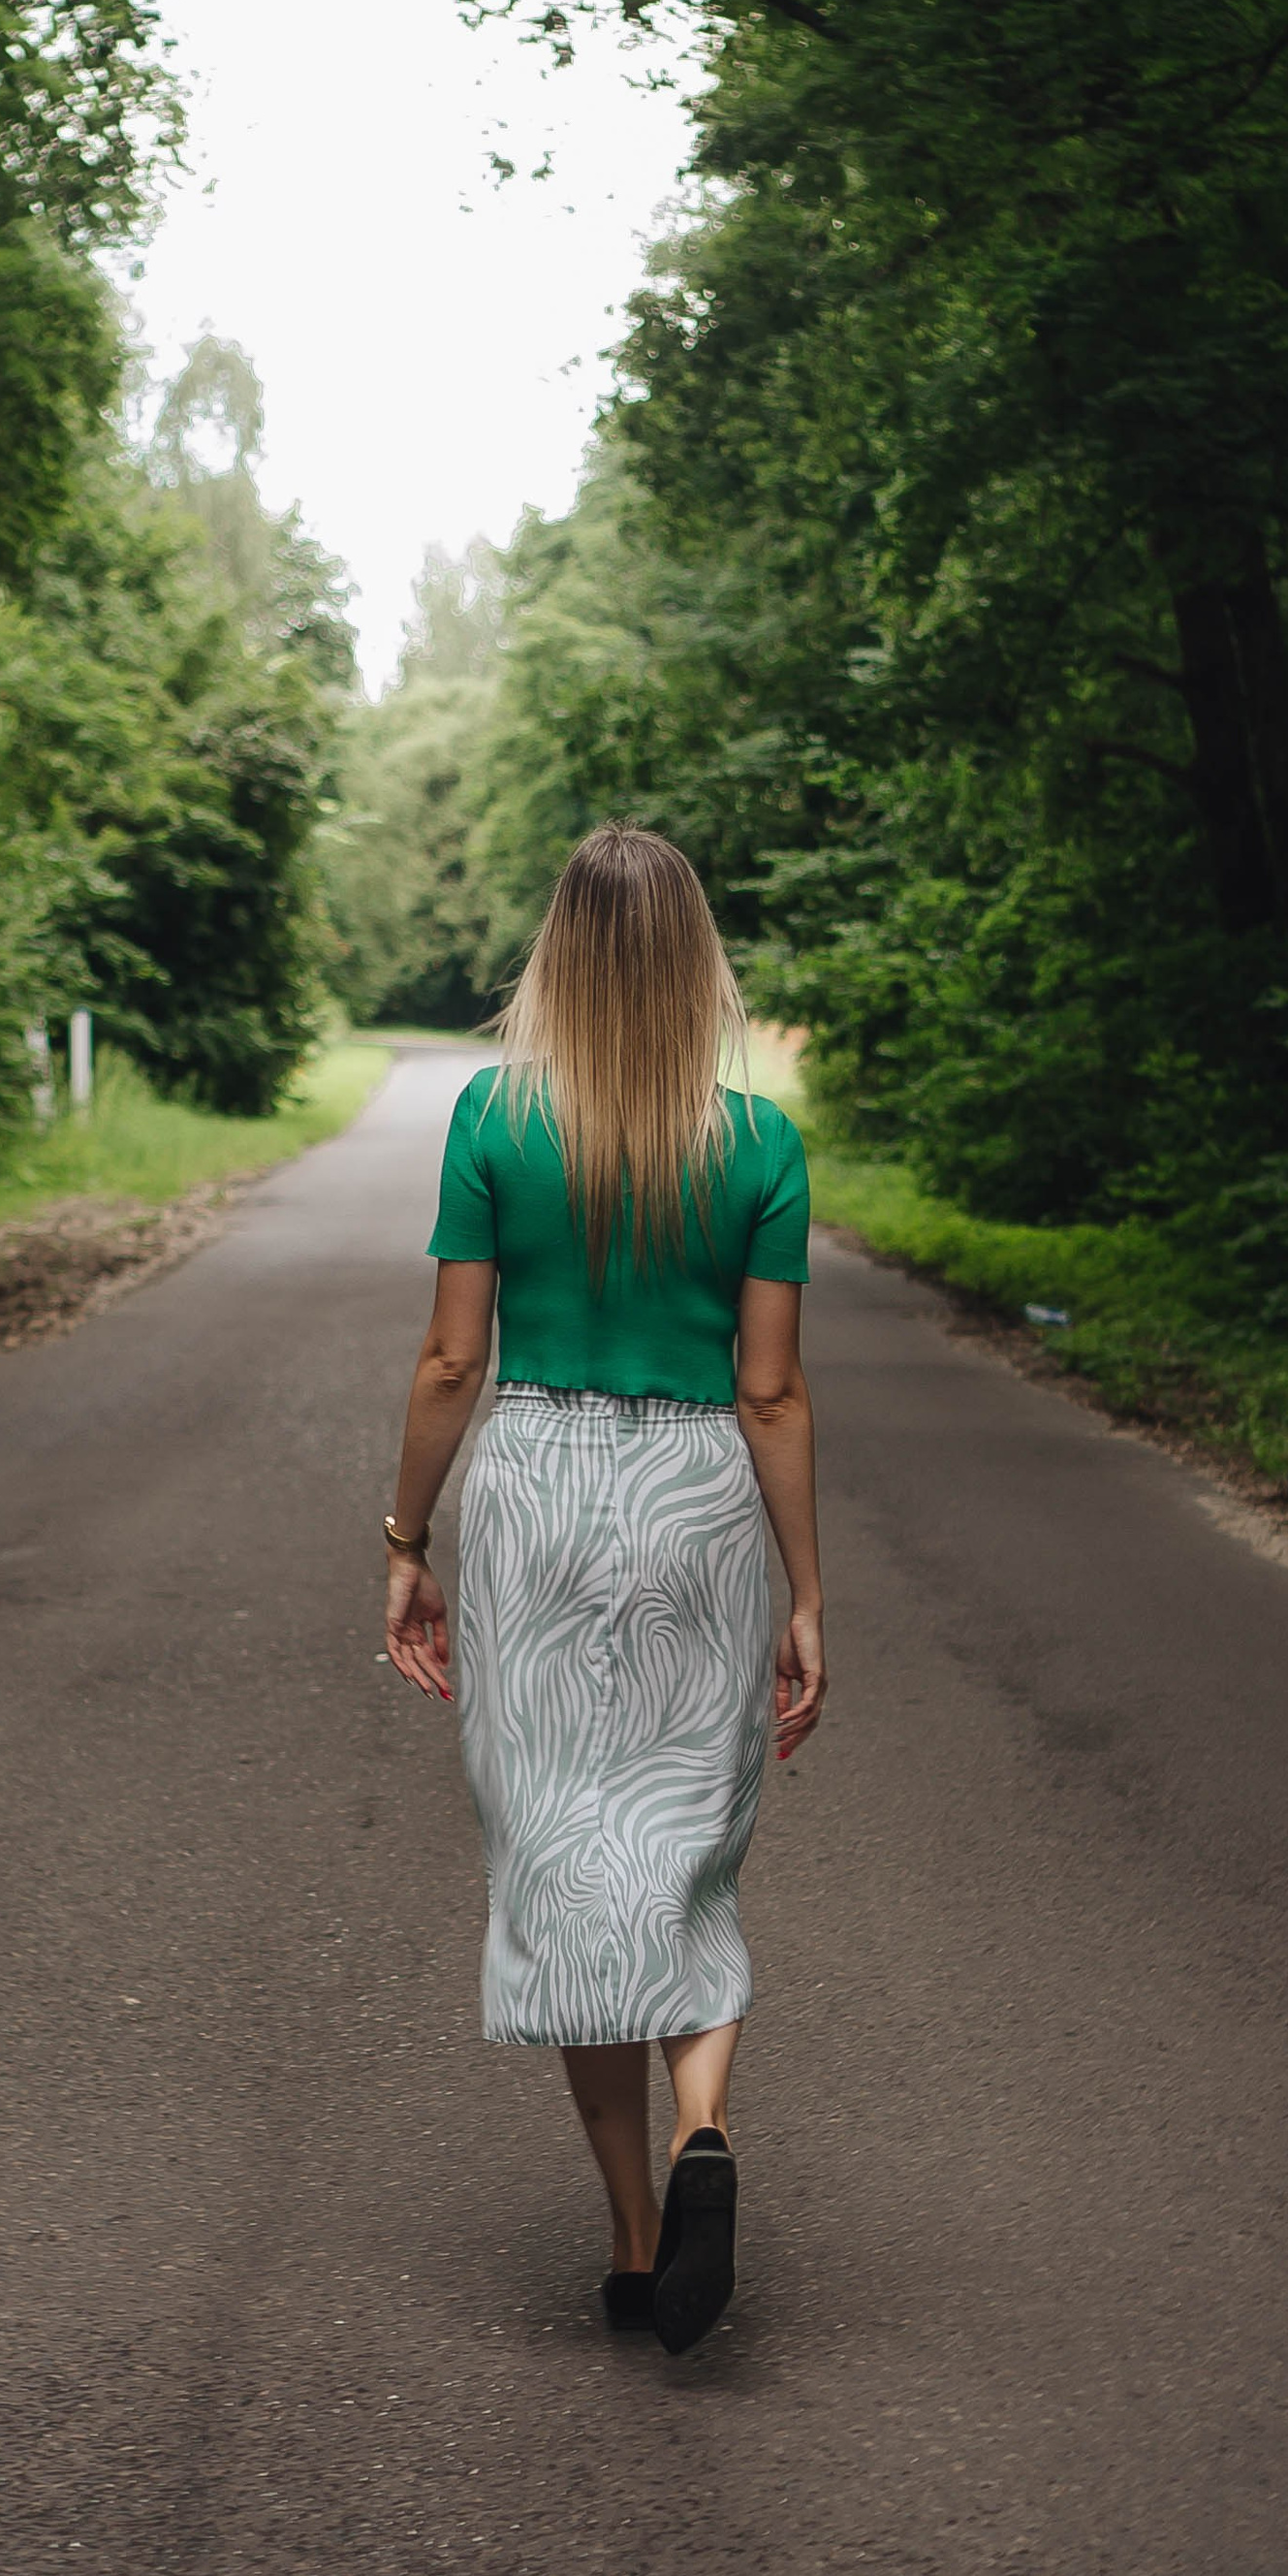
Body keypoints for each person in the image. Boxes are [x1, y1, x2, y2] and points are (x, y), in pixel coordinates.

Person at [381, 821, 827, 2358]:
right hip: (699, 1496)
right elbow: (772, 1395)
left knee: (567, 1860)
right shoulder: (760, 1148)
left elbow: (453, 1358)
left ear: (558, 950)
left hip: (538, 1498)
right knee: (687, 1847)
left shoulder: (493, 1121)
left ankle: (637, 2238)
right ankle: (708, 2125)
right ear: (696, 954)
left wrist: (404, 1539)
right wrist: (806, 1591)